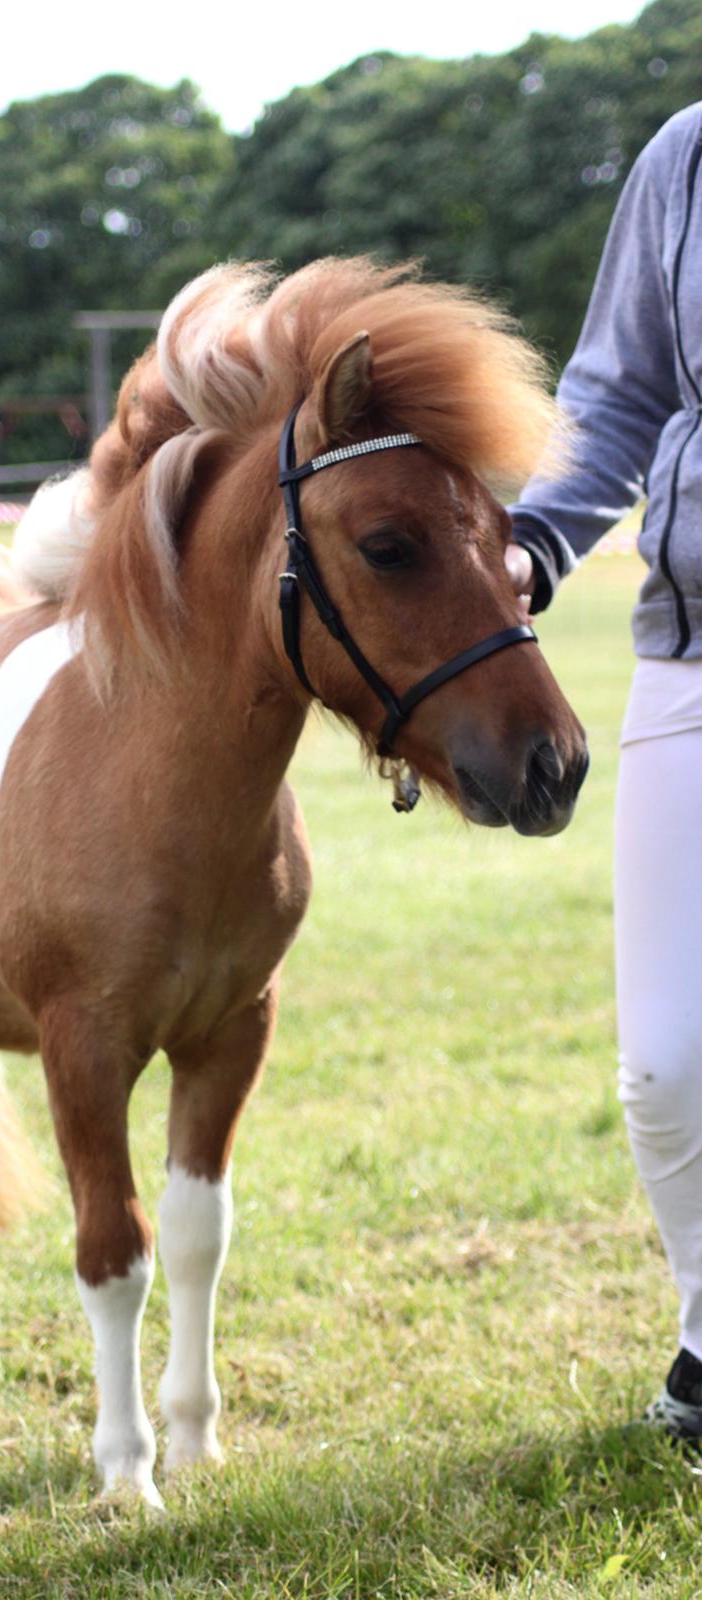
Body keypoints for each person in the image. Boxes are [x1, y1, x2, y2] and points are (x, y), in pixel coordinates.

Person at [507, 101, 702, 1439]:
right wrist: (525, 550)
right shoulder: (685, 157)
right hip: (692, 659)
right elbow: (620, 389)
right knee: (670, 1064)